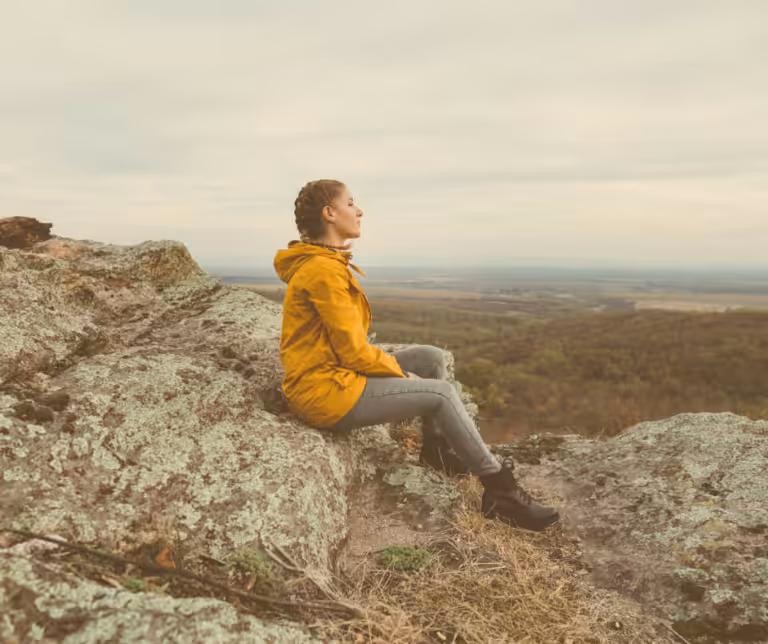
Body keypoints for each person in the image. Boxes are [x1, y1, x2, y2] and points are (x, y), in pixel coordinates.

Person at [273, 180, 559, 531]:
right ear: (329, 214)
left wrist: (397, 368)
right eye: (351, 203)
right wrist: (397, 372)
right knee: (440, 394)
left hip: (335, 375)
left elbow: (344, 347)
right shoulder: (322, 270)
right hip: (325, 393)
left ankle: (436, 451)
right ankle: (502, 492)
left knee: (430, 357)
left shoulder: (326, 262)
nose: (359, 211)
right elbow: (352, 352)